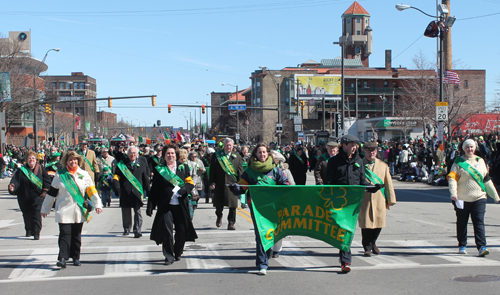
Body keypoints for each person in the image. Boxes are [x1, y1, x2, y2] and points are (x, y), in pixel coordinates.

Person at [325, 135, 382, 273]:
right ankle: (345, 261)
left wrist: (373, 187)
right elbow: (328, 183)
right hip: (339, 202)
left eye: (355, 144)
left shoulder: (359, 161)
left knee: (347, 230)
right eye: (351, 144)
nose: (354, 147)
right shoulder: (333, 162)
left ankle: (344, 256)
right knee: (344, 230)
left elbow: (362, 181)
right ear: (343, 146)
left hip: (354, 203)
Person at [231, 143, 289, 275]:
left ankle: (267, 254)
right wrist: (235, 188)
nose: (262, 155)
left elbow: (285, 185)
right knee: (260, 234)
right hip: (257, 208)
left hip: (274, 207)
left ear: (268, 154)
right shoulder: (250, 172)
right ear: (255, 155)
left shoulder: (275, 170)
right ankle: (262, 264)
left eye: (264, 152)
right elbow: (242, 187)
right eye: (259, 152)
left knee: (272, 233)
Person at [41, 150, 103, 268]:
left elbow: (92, 192)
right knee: (64, 234)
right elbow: (51, 193)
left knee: (76, 235)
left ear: (78, 161)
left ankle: (75, 257)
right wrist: (45, 208)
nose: (73, 162)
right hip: (64, 210)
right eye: (70, 160)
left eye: (75, 160)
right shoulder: (60, 175)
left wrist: (98, 205)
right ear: (66, 161)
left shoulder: (84, 174)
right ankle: (63, 258)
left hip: (78, 210)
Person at [147, 144, 197, 265]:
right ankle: (168, 256)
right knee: (167, 231)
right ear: (164, 156)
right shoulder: (160, 169)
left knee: (182, 230)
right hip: (165, 205)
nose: (171, 155)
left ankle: (178, 251)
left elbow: (190, 183)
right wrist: (150, 205)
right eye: (168, 153)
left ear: (176, 155)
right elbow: (155, 189)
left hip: (180, 204)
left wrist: (185, 189)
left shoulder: (183, 167)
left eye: (173, 153)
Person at [448, 139, 500, 256]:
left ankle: (482, 246)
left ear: (475, 148)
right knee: (462, 222)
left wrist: (495, 196)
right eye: (467, 147)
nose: (469, 149)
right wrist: (453, 193)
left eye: (471, 147)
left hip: (479, 197)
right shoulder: (458, 162)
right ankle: (462, 245)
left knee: (479, 222)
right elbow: (452, 179)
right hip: (462, 198)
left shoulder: (480, 161)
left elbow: (486, 180)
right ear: (463, 149)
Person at [359, 141, 396, 257]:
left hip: (379, 198)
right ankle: (367, 247)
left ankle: (373, 242)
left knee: (379, 223)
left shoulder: (383, 165)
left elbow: (388, 183)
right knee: (366, 224)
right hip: (364, 198)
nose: (371, 153)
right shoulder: (359, 164)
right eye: (369, 151)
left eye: (374, 151)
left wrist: (391, 199)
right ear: (364, 151)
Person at [8, 151, 51, 239]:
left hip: (38, 197)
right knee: (27, 215)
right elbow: (15, 180)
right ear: (26, 160)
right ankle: (28, 229)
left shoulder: (41, 169)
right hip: (24, 196)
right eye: (30, 158)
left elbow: (47, 181)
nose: (31, 160)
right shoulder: (21, 170)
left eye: (33, 158)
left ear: (36, 160)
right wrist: (12, 186)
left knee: (36, 214)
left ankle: (36, 233)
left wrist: (45, 191)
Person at [113, 146, 150, 238]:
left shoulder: (142, 163)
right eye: (130, 153)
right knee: (126, 211)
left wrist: (148, 190)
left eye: (134, 153)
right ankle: (126, 228)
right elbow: (116, 177)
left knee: (137, 211)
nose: (132, 155)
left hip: (137, 192)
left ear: (137, 154)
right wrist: (117, 188)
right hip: (125, 191)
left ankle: (137, 230)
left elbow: (145, 178)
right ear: (127, 154)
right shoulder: (122, 164)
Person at [209, 138, 243, 230]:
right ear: (224, 146)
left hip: (232, 185)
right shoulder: (217, 156)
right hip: (219, 184)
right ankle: (219, 216)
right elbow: (212, 170)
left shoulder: (237, 157)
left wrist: (241, 183)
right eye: (227, 145)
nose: (228, 147)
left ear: (233, 146)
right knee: (219, 205)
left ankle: (231, 223)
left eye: (230, 145)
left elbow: (240, 171)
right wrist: (212, 182)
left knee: (233, 206)